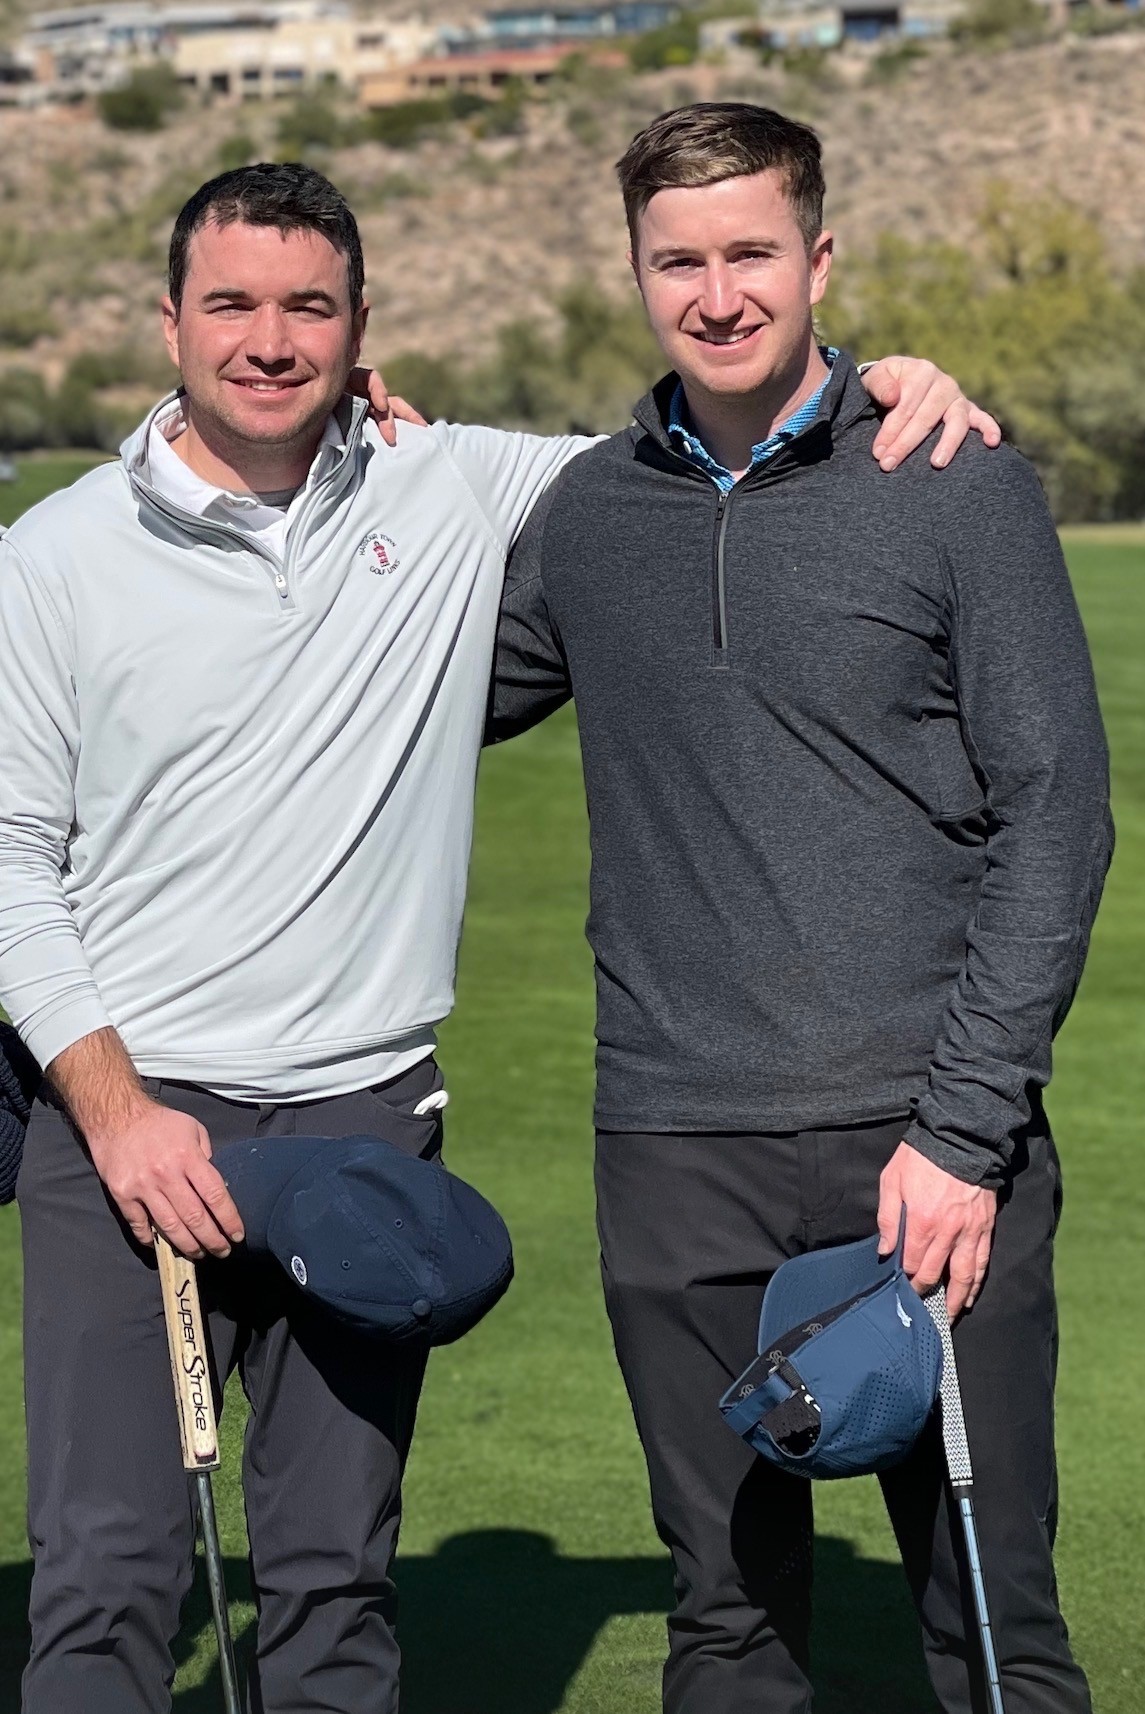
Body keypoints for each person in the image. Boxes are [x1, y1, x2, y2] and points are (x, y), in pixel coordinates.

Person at [0, 158, 992, 1713]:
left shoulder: (448, 482)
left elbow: (716, 433)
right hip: (129, 1123)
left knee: (333, 1583)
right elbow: (5, 862)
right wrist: (117, 1116)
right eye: (233, 303)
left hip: (361, 1117)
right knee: (109, 1578)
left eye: (308, 305)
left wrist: (885, 382)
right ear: (167, 318)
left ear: (360, 322)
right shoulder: (49, 558)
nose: (270, 339)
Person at [490, 103, 1112, 1714]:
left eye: (750, 251)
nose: (715, 293)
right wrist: (318, 428)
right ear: (634, 273)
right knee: (728, 1630)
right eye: (676, 260)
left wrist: (966, 1133)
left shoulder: (952, 478)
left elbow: (1059, 813)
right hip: (673, 1147)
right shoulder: (583, 518)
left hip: (920, 1150)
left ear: (818, 257)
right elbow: (396, 684)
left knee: (988, 1624)